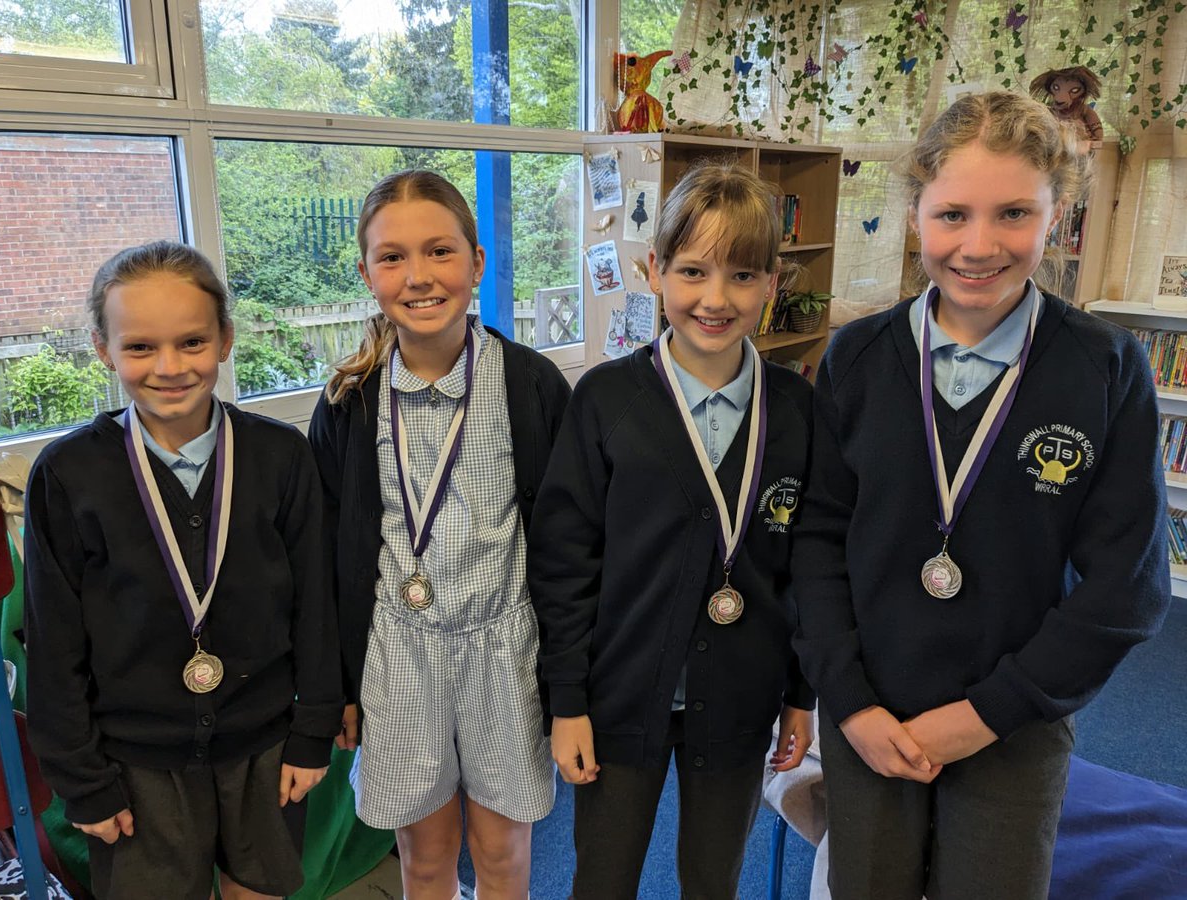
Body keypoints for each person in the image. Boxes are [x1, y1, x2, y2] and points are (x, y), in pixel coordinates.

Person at [791, 90, 1171, 900]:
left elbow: (1125, 591)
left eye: (1013, 215)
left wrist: (986, 714)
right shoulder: (857, 359)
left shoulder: (1103, 369)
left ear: (1057, 210)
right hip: (870, 714)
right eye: (953, 215)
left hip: (1013, 723)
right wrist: (851, 704)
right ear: (914, 212)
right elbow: (814, 543)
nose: (979, 245)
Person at [529, 162, 815, 899]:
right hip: (621, 695)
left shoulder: (798, 412)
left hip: (743, 696)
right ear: (654, 271)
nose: (715, 299)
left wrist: (800, 694)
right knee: (604, 876)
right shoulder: (606, 400)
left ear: (772, 284)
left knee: (713, 880)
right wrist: (567, 703)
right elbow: (564, 565)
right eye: (692, 271)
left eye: (743, 276)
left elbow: (810, 569)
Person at [24, 240, 342, 900]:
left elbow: (317, 605)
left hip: (265, 747)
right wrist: (82, 781)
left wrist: (313, 732)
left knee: (262, 887)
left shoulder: (280, 457)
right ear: (103, 348)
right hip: (135, 761)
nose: (169, 367)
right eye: (140, 347)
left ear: (225, 340)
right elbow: (54, 645)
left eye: (192, 342)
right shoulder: (68, 474)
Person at [308, 170, 570, 900]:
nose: (418, 276)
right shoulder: (347, 403)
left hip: (504, 651)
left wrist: (565, 681)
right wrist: (337, 684)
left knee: (504, 857)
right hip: (398, 655)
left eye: (439, 252)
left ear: (477, 262)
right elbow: (329, 561)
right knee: (424, 864)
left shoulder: (532, 386)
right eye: (392, 258)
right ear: (366, 273)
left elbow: (565, 543)